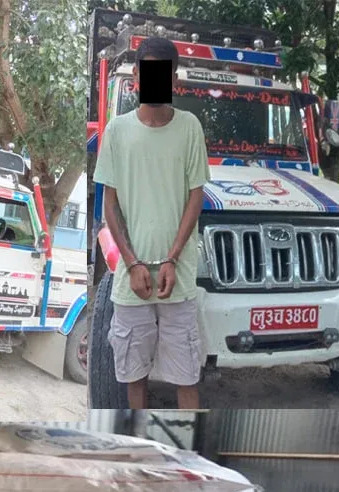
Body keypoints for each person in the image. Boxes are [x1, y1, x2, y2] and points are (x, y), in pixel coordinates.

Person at [94, 36, 210, 409]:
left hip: (179, 277)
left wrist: (172, 258)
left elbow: (196, 197)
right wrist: (132, 264)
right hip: (132, 280)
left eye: (164, 74)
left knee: (187, 377)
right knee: (134, 377)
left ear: (174, 78)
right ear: (137, 77)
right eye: (149, 73)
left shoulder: (190, 127)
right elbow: (109, 204)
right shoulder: (117, 131)